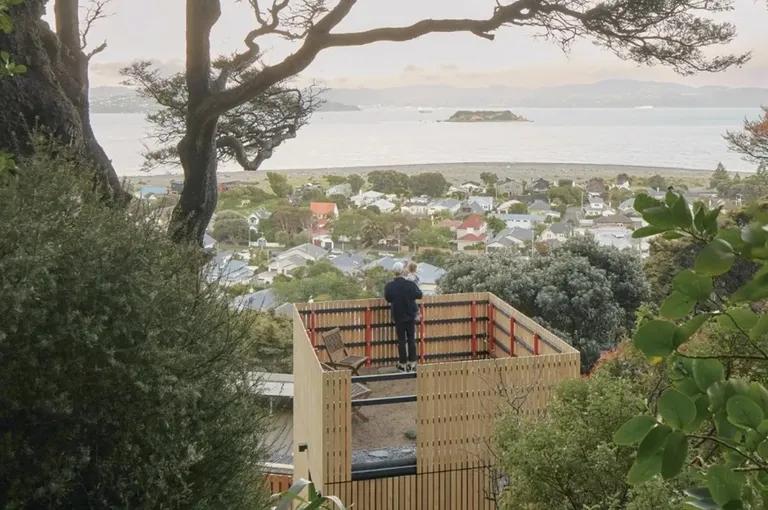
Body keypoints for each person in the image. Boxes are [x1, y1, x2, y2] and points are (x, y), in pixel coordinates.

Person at [384, 261, 423, 372]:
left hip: (398, 315)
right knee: (411, 339)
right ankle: (413, 363)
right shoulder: (410, 284)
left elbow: (388, 298)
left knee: (401, 340)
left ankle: (403, 363)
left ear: (394, 272)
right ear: (402, 271)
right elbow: (419, 295)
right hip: (410, 315)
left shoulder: (389, 286)